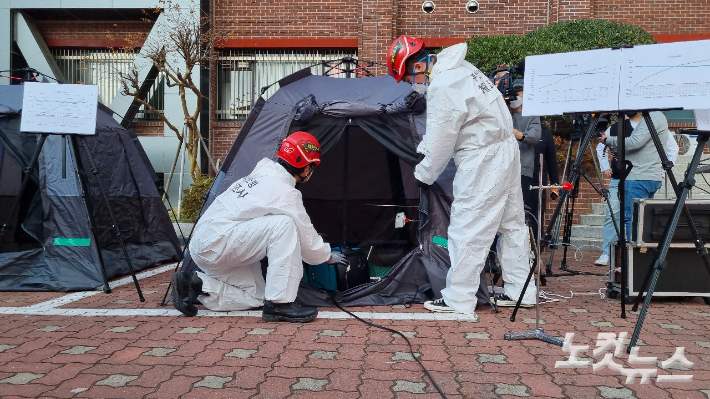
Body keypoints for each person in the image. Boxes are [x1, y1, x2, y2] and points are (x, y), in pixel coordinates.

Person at [386, 36, 536, 318]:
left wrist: (424, 173)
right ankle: (521, 290)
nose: (411, 84)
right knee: (512, 223)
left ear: (417, 65)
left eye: (408, 77)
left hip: (482, 156)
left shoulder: (444, 84)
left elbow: (442, 136)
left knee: (468, 226)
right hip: (504, 149)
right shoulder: (463, 68)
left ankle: (459, 299)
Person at [171, 131, 346, 322]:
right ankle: (280, 305)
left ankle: (195, 284)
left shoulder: (263, 173)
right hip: (218, 243)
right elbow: (308, 240)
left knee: (257, 296)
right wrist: (328, 255)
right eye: (312, 167)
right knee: (284, 224)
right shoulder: (285, 192)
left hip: (206, 244)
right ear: (306, 169)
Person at [595, 116, 677, 265]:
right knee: (613, 214)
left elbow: (671, 148)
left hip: (637, 176)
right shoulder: (616, 127)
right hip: (619, 177)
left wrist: (662, 171)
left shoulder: (651, 122)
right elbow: (601, 145)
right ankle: (607, 253)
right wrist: (605, 166)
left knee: (634, 217)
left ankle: (632, 259)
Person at [529, 128, 560, 239]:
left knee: (536, 217)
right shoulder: (518, 132)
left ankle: (536, 248)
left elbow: (552, 161)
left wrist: (555, 185)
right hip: (519, 180)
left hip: (538, 182)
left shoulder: (546, 135)